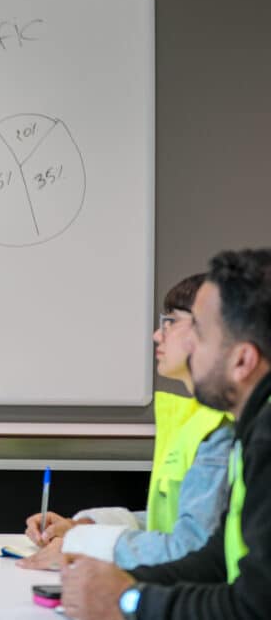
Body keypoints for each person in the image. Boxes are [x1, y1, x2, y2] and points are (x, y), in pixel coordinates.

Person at [61, 248, 271, 620]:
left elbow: (254, 606)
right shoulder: (252, 428)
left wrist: (129, 601)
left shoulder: (264, 439)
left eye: (200, 336)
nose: (187, 347)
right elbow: (216, 560)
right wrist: (121, 582)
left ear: (242, 361)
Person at [20, 274, 232, 570]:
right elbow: (174, 523)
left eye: (171, 322)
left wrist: (82, 545)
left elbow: (190, 545)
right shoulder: (194, 419)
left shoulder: (223, 428)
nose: (157, 335)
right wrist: (82, 526)